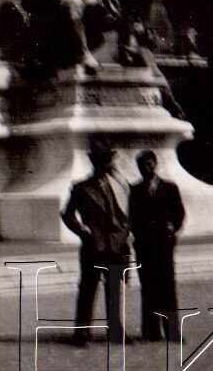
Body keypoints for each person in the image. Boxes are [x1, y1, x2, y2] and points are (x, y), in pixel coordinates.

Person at [61, 143, 132, 346]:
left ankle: (115, 330)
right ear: (96, 162)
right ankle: (82, 333)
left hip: (115, 246)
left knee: (114, 290)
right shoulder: (82, 187)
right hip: (93, 245)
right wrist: (83, 231)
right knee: (87, 290)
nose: (108, 164)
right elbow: (67, 215)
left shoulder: (118, 185)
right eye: (104, 159)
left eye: (108, 159)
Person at [128, 150, 186, 342]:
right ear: (139, 167)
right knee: (148, 287)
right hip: (145, 245)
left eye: (150, 163)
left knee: (168, 287)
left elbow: (179, 212)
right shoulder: (135, 190)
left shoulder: (170, 187)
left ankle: (172, 331)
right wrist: (138, 234)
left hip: (163, 243)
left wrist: (172, 228)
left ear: (156, 164)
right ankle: (151, 331)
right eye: (143, 164)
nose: (148, 167)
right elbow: (132, 217)